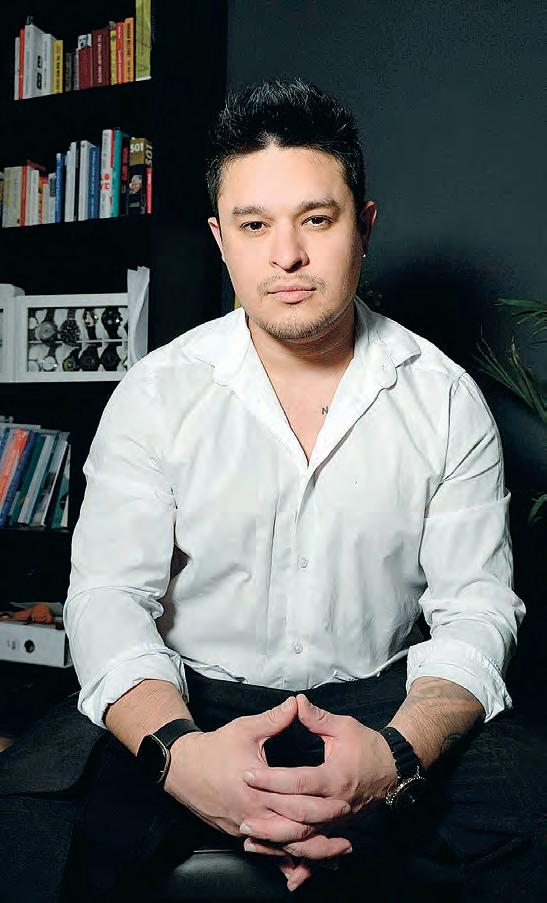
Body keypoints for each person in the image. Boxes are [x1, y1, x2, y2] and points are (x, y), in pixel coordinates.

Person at [1, 77, 545, 903]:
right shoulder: (157, 392)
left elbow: (476, 609)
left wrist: (393, 755)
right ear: (220, 238)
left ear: (363, 227)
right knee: (25, 816)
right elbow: (109, 598)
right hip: (189, 692)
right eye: (254, 225)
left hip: (382, 700)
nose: (285, 255)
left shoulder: (442, 398)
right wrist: (183, 756)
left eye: (315, 219)